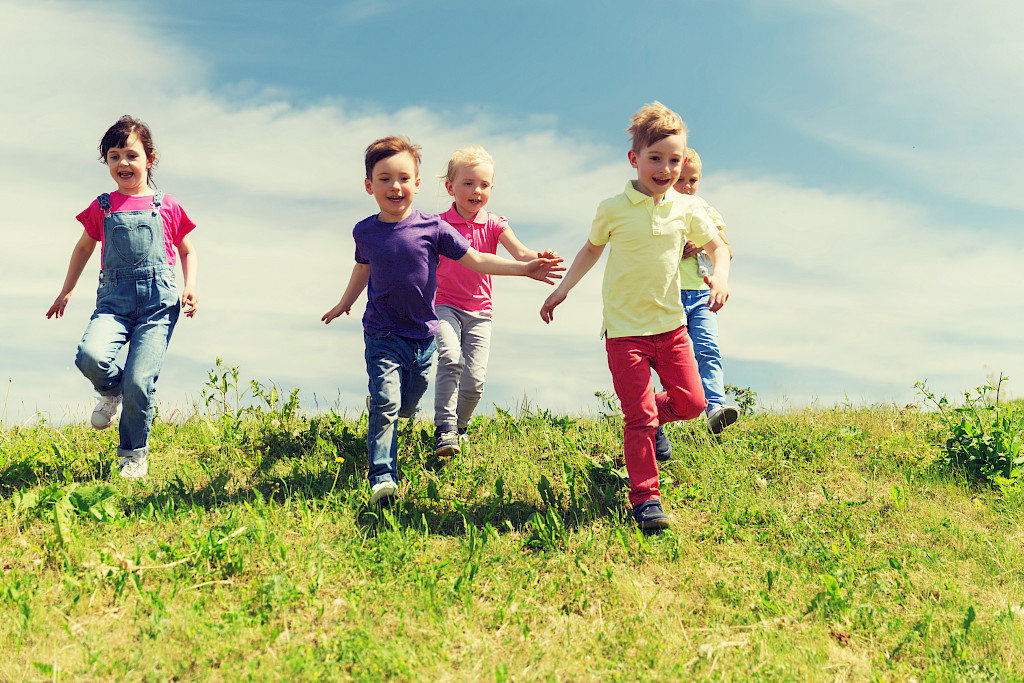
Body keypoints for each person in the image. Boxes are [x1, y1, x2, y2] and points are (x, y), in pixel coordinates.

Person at [322, 136, 563, 506]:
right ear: (369, 185)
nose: (395, 186)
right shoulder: (365, 231)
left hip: (422, 335)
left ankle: (402, 411)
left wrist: (524, 268)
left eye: (403, 178)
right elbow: (362, 268)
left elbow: (478, 261)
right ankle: (383, 477)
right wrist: (344, 303)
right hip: (382, 332)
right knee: (386, 404)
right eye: (384, 179)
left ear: (417, 184)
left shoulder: (433, 229)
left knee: (407, 402)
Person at [539, 103, 730, 531]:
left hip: (671, 327)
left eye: (674, 160)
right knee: (638, 418)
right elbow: (591, 249)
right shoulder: (613, 208)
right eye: (655, 159)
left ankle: (649, 415)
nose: (665, 169)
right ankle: (646, 499)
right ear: (634, 159)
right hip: (625, 333)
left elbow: (718, 246)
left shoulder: (687, 207)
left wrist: (720, 275)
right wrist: (563, 289)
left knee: (693, 403)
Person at [46, 115, 199, 479]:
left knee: (140, 382)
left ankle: (133, 454)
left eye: (131, 155)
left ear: (150, 158)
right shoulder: (102, 206)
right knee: (90, 356)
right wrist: (66, 290)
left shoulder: (168, 205)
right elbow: (83, 249)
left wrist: (190, 286)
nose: (123, 164)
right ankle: (110, 389)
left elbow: (187, 250)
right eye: (114, 157)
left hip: (158, 304)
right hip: (114, 302)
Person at [432, 146, 558, 456]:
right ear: (450, 187)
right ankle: (444, 428)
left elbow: (521, 252)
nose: (477, 191)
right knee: (450, 359)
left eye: (484, 185)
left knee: (475, 381)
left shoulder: (495, 224)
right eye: (468, 183)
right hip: (443, 304)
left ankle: (460, 428)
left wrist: (539, 258)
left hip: (480, 312)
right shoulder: (437, 225)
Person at [674, 148, 739, 434]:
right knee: (674, 359)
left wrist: (702, 243)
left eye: (693, 180)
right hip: (669, 294)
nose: (687, 187)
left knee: (708, 348)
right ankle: (671, 410)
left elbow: (726, 249)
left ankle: (715, 407)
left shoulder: (704, 209)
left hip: (701, 294)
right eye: (682, 180)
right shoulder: (660, 209)